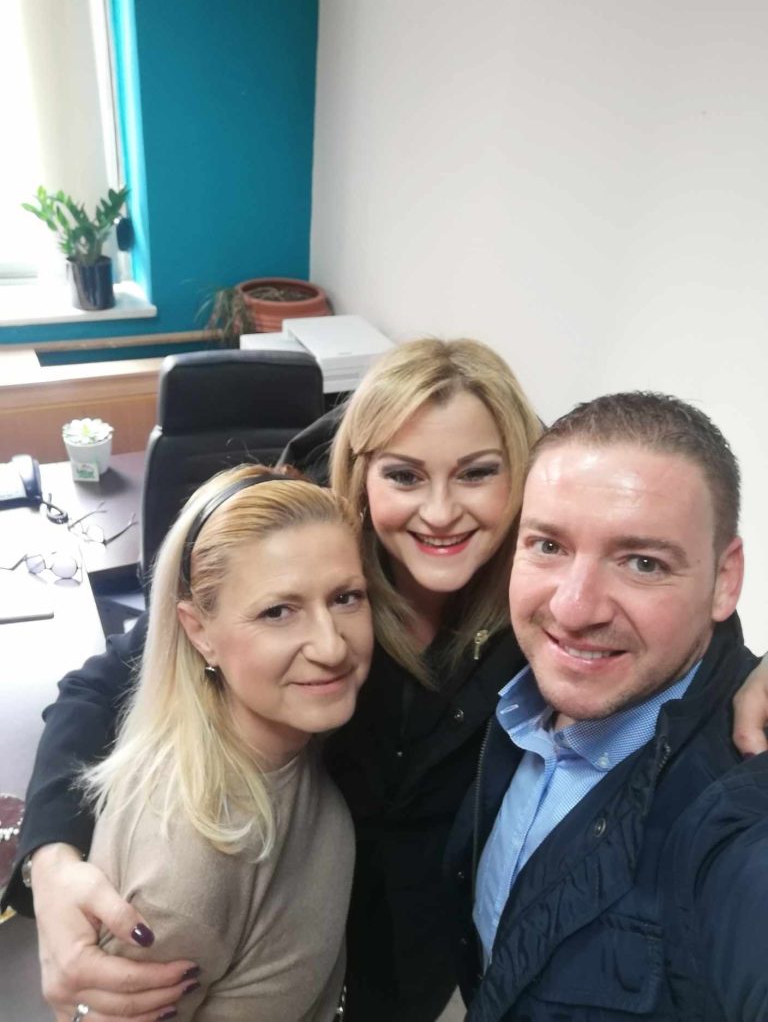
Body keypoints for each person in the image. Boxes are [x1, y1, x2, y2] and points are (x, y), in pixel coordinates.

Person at [3, 341, 768, 1022]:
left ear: (520, 479)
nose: (439, 512)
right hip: (273, 917)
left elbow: (668, 594)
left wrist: (744, 669)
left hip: (426, 955)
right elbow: (105, 685)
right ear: (361, 480)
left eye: (477, 473)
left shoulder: (547, 607)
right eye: (404, 476)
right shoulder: (310, 555)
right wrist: (52, 861)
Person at [447, 392, 768, 1021]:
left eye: (642, 562)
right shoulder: (504, 678)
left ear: (725, 579)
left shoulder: (736, 820)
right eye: (548, 546)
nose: (573, 609)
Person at [81, 464, 372, 1021]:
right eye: (278, 611)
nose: (332, 646)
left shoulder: (288, 734)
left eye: (345, 597)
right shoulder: (185, 877)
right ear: (199, 632)